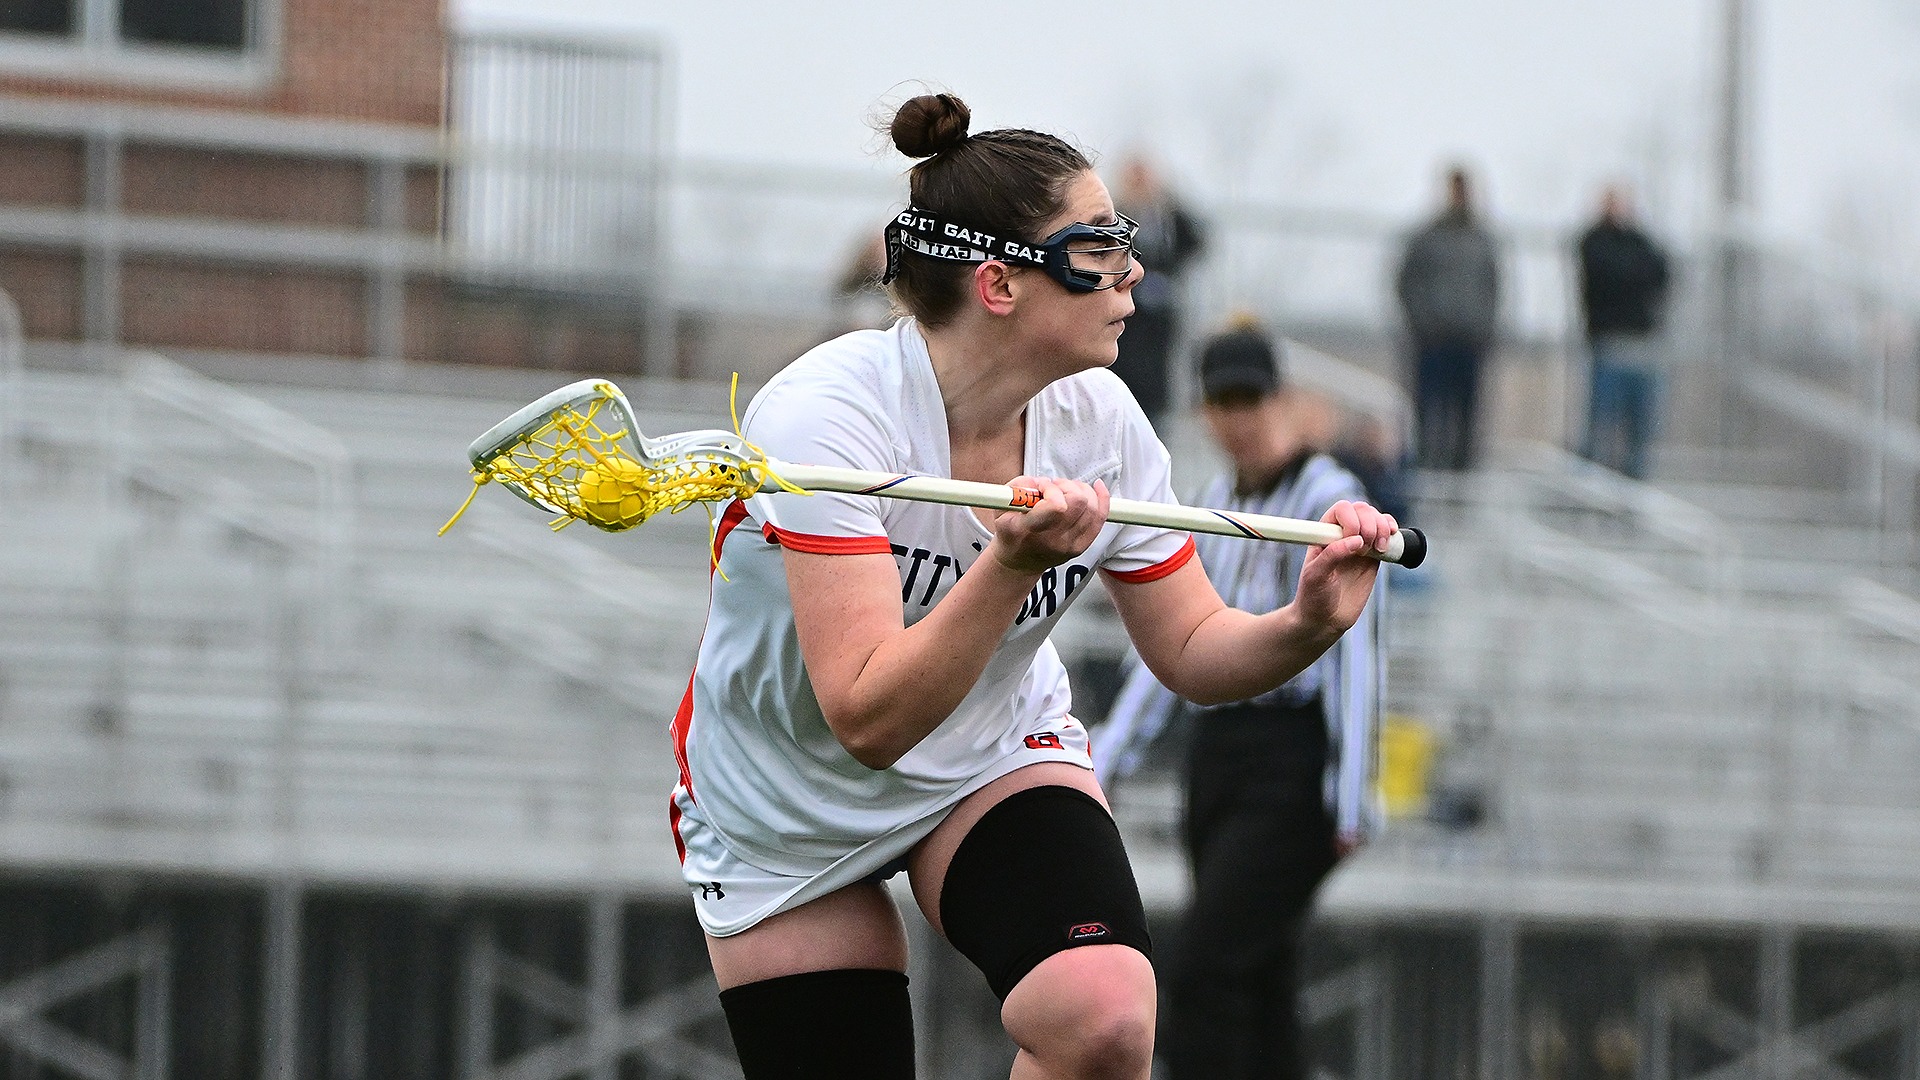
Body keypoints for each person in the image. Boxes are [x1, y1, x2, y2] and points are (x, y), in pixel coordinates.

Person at [670, 92, 1399, 1080]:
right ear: (999, 284)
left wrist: (1307, 621)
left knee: (1102, 1020)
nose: (1131, 273)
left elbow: (1191, 650)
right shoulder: (825, 422)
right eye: (1097, 248)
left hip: (988, 761)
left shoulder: (1101, 417)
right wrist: (1011, 568)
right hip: (782, 803)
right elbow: (869, 718)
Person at [1093, 320, 1385, 1080]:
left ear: (1279, 400)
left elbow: (1355, 647)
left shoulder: (1328, 496)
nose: (1239, 416)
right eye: (1222, 400)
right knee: (1260, 973)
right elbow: (1174, 643)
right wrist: (1107, 756)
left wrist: (1350, 794)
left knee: (1207, 969)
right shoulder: (1215, 500)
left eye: (1251, 397)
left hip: (1291, 759)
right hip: (1219, 752)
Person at [1395, 165, 1501, 471]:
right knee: (1427, 415)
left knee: (1466, 418)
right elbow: (1406, 283)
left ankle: (1462, 476)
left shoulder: (1482, 240)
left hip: (1469, 343)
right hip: (1432, 342)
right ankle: (1426, 471)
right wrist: (1422, 324)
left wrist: (1483, 330)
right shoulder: (1426, 237)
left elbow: (1493, 289)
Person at [1577, 185, 1671, 479]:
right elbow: (1608, 275)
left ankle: (1634, 492)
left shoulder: (1640, 241)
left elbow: (1661, 272)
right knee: (1601, 426)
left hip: (1641, 345)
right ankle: (1591, 489)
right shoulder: (1594, 242)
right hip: (1608, 344)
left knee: (1640, 430)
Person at [1109, 154, 1206, 427]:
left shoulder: (1167, 219)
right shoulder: (1115, 218)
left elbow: (1196, 240)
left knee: (1154, 402)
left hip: (1157, 329)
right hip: (1126, 326)